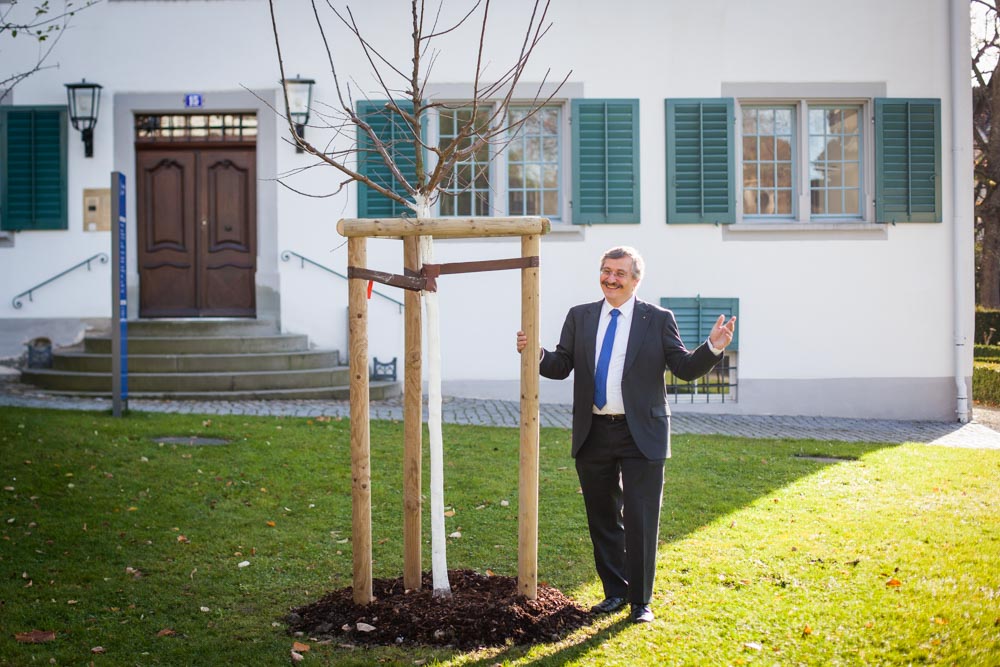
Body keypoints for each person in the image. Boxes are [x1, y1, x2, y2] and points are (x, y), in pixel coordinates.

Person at [516, 246, 735, 624]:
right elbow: (562, 365)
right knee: (602, 517)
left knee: (640, 516)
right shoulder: (580, 316)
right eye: (606, 271)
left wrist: (713, 347)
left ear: (636, 279)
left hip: (642, 433)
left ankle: (641, 601)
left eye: (620, 273)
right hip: (594, 430)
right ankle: (615, 592)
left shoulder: (658, 318)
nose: (611, 278)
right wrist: (536, 354)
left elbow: (682, 368)